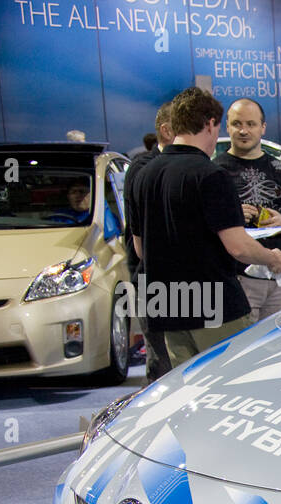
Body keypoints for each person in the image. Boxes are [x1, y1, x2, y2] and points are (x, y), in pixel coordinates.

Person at [129, 86, 281, 366]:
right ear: (210, 124)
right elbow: (238, 247)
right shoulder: (210, 175)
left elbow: (141, 249)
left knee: (188, 391)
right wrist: (273, 258)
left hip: (167, 304)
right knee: (233, 384)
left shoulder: (145, 175)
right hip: (214, 305)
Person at [214, 97, 281, 321]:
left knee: (276, 347)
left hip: (279, 277)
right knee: (240, 349)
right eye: (237, 124)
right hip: (236, 278)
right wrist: (233, 215)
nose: (243, 130)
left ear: (263, 127)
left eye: (251, 124)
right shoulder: (215, 172)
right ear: (227, 126)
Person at [124, 101, 176, 381]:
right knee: (162, 363)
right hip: (153, 281)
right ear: (167, 131)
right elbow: (142, 237)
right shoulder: (144, 168)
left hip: (183, 285)